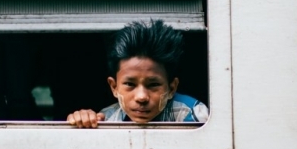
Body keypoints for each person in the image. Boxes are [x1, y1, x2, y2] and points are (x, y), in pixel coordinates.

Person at [67, 20, 209, 128]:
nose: (141, 97)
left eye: (153, 84)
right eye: (130, 84)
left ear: (172, 88)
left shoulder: (192, 115)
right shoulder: (107, 118)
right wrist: (82, 123)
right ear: (114, 87)